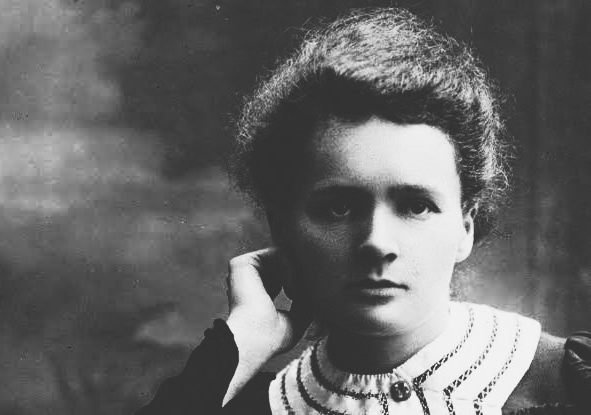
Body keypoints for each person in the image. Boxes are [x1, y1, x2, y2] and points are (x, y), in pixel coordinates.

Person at [136, 8, 590, 415]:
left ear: (465, 228)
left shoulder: (567, 382)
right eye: (338, 208)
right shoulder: (258, 404)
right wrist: (244, 340)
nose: (376, 243)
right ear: (283, 229)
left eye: (416, 206)